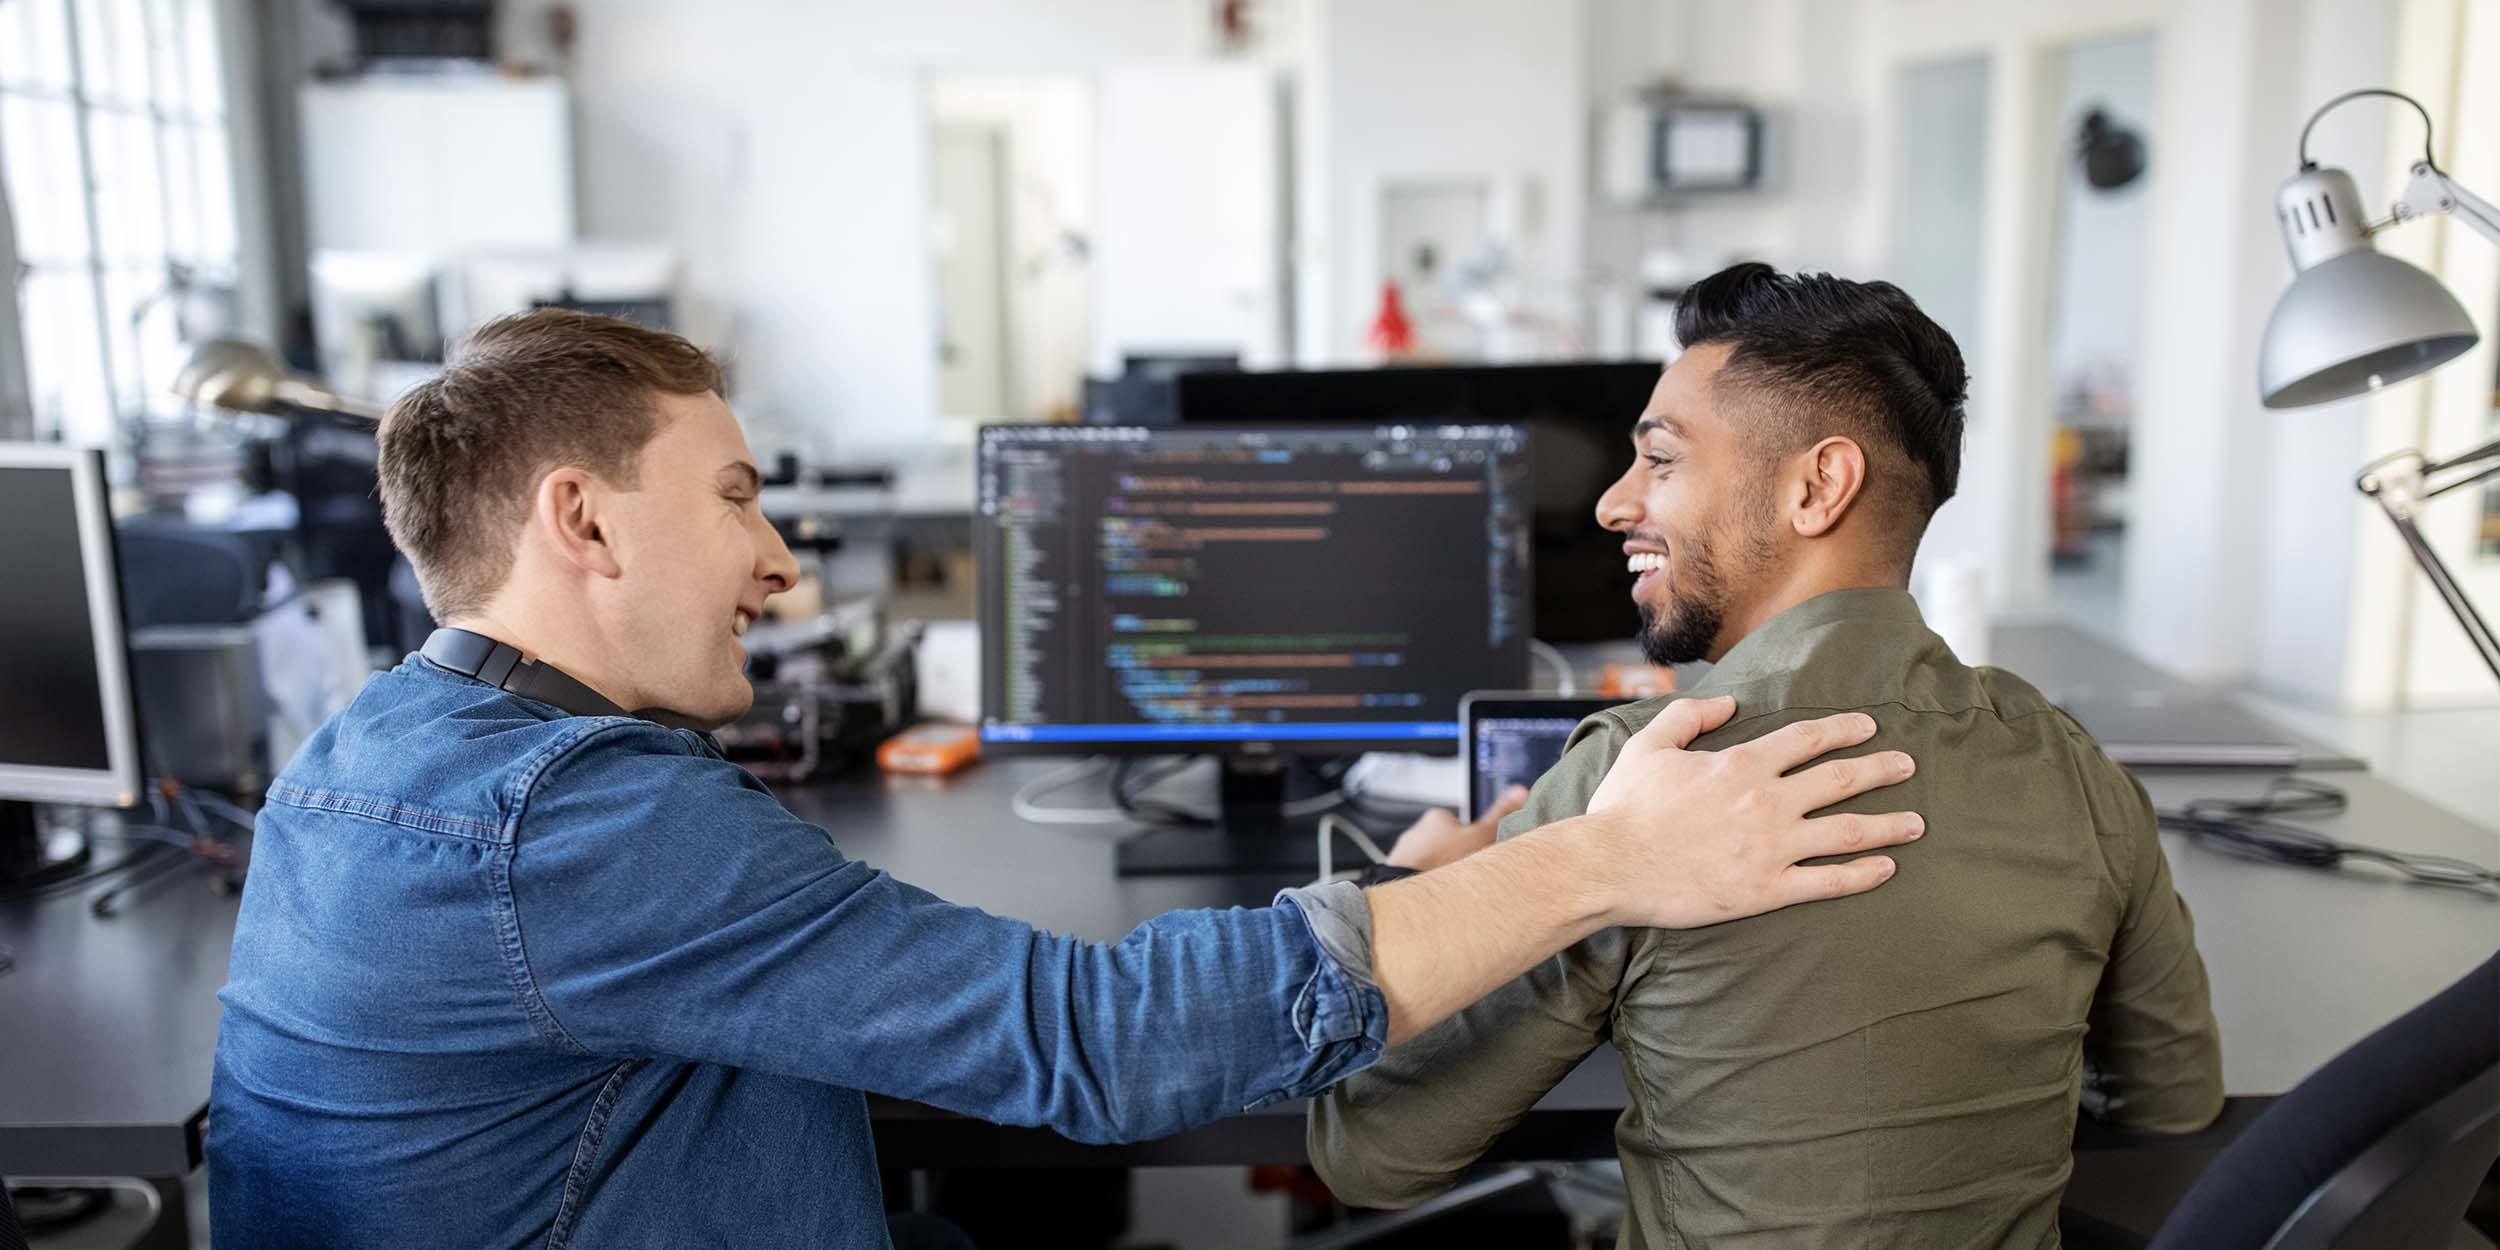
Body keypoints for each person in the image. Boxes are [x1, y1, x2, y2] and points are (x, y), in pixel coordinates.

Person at [206, 309, 1928, 1248]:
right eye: (736, 498)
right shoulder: (576, 825)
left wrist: (1420, 890)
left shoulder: (385, 748)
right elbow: (1089, 1048)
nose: (787, 562)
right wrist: (1600, 863)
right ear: (577, 519)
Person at [1307, 264, 2224, 1249]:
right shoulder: (2073, 766)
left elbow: (1374, 1148)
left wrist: (1418, 883)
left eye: (1659, 460)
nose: (1615, 504)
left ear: (1815, 486)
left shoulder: (1643, 774)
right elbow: (2170, 1098)